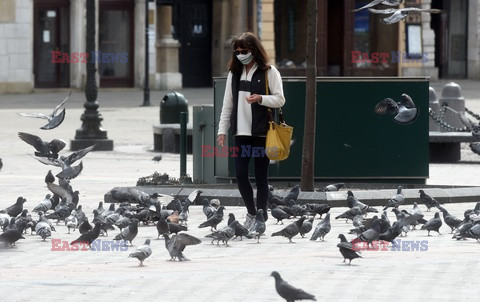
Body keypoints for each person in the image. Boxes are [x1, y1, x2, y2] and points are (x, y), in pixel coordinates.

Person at [217, 32, 286, 228]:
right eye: (237, 51)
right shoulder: (234, 74)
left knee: (261, 177)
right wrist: (222, 131)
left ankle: (261, 218)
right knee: (240, 174)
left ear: (254, 50)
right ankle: (251, 212)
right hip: (241, 133)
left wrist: (261, 98)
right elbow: (227, 105)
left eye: (244, 51)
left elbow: (280, 99)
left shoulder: (269, 72)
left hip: (262, 133)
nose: (240, 54)